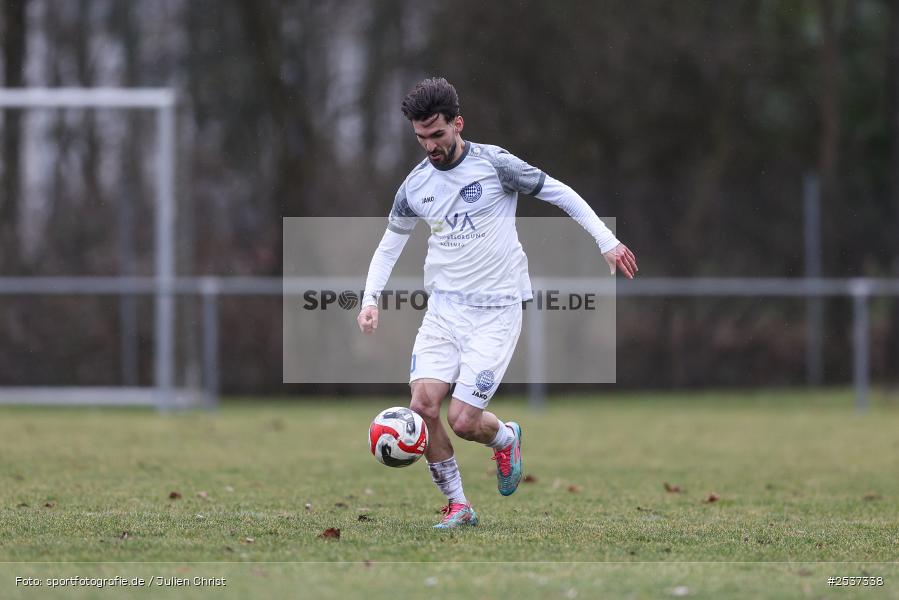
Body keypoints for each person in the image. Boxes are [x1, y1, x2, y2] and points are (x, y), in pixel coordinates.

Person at [357, 77, 637, 529]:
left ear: (457, 124)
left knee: (464, 421)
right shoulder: (414, 186)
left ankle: (505, 439)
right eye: (421, 138)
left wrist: (606, 241)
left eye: (438, 135)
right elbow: (389, 246)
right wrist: (371, 299)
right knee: (424, 409)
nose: (430, 146)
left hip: (497, 311)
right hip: (444, 311)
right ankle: (458, 506)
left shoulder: (495, 165)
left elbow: (557, 190)